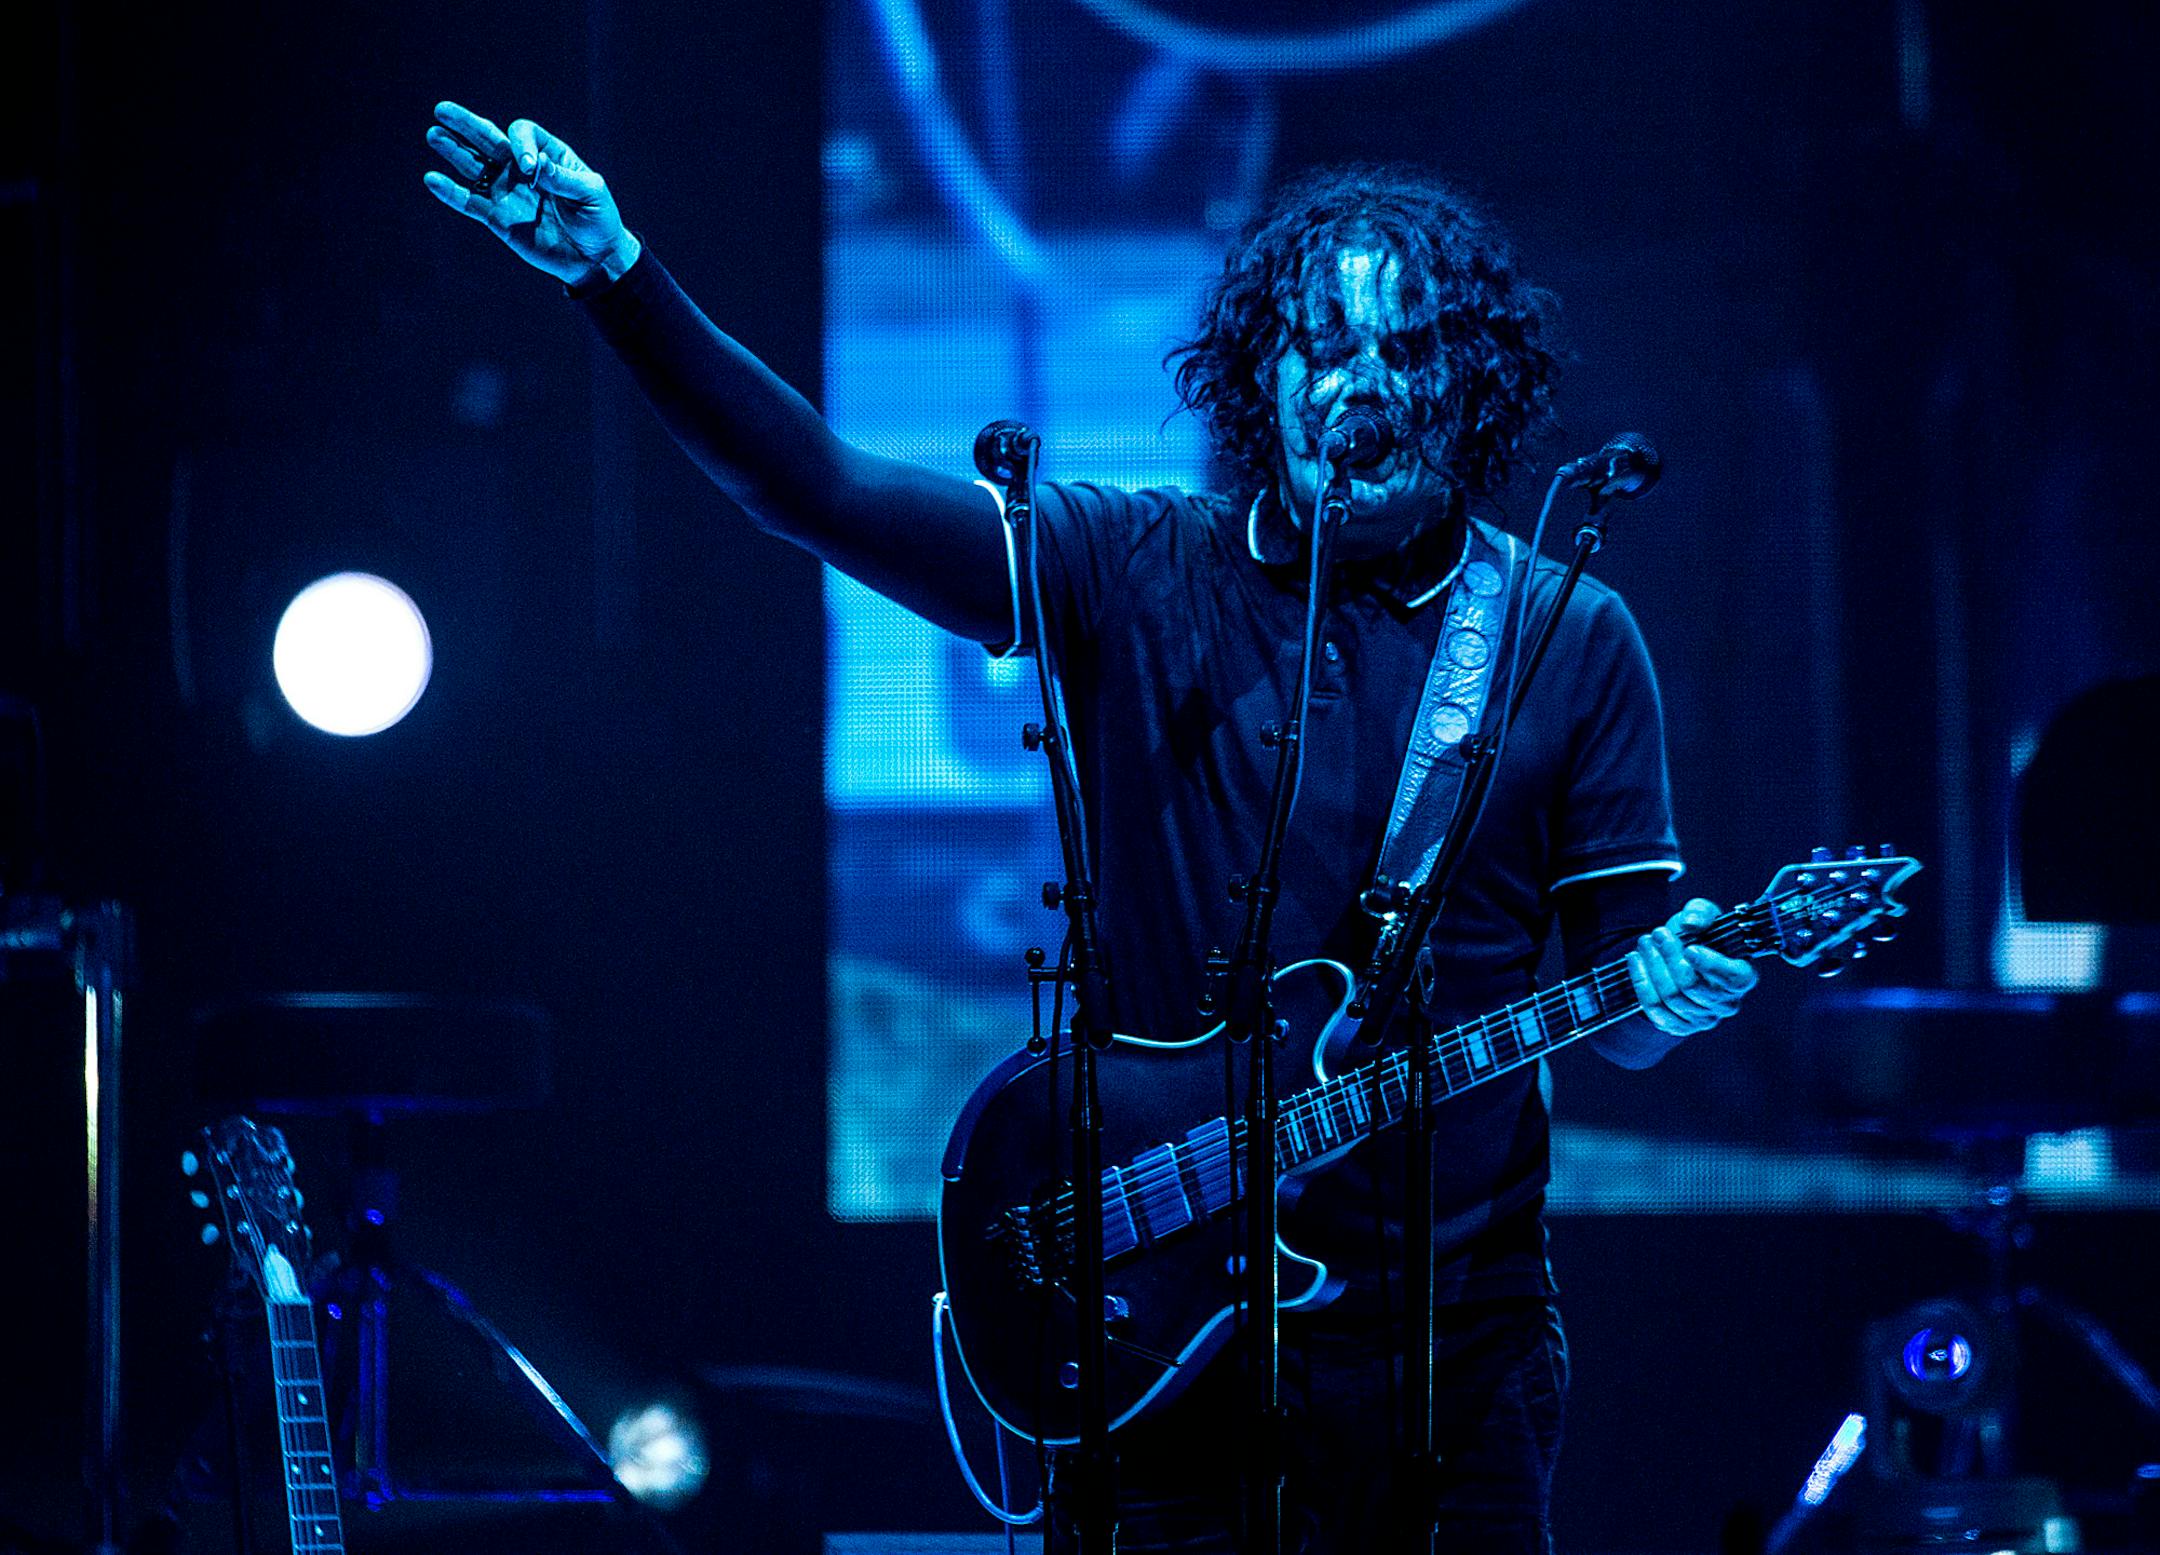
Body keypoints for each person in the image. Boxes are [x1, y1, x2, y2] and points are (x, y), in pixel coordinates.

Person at [423, 101, 1758, 1553]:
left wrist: (1677, 992)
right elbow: (813, 489)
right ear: (1263, 372)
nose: (1359, 383)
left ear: (1471, 384)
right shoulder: (1132, 564)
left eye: (1407, 348)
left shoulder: (1568, 633)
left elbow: (1617, 1012)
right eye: (1320, 343)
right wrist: (615, 274)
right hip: (1157, 1322)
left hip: (1458, 1349)